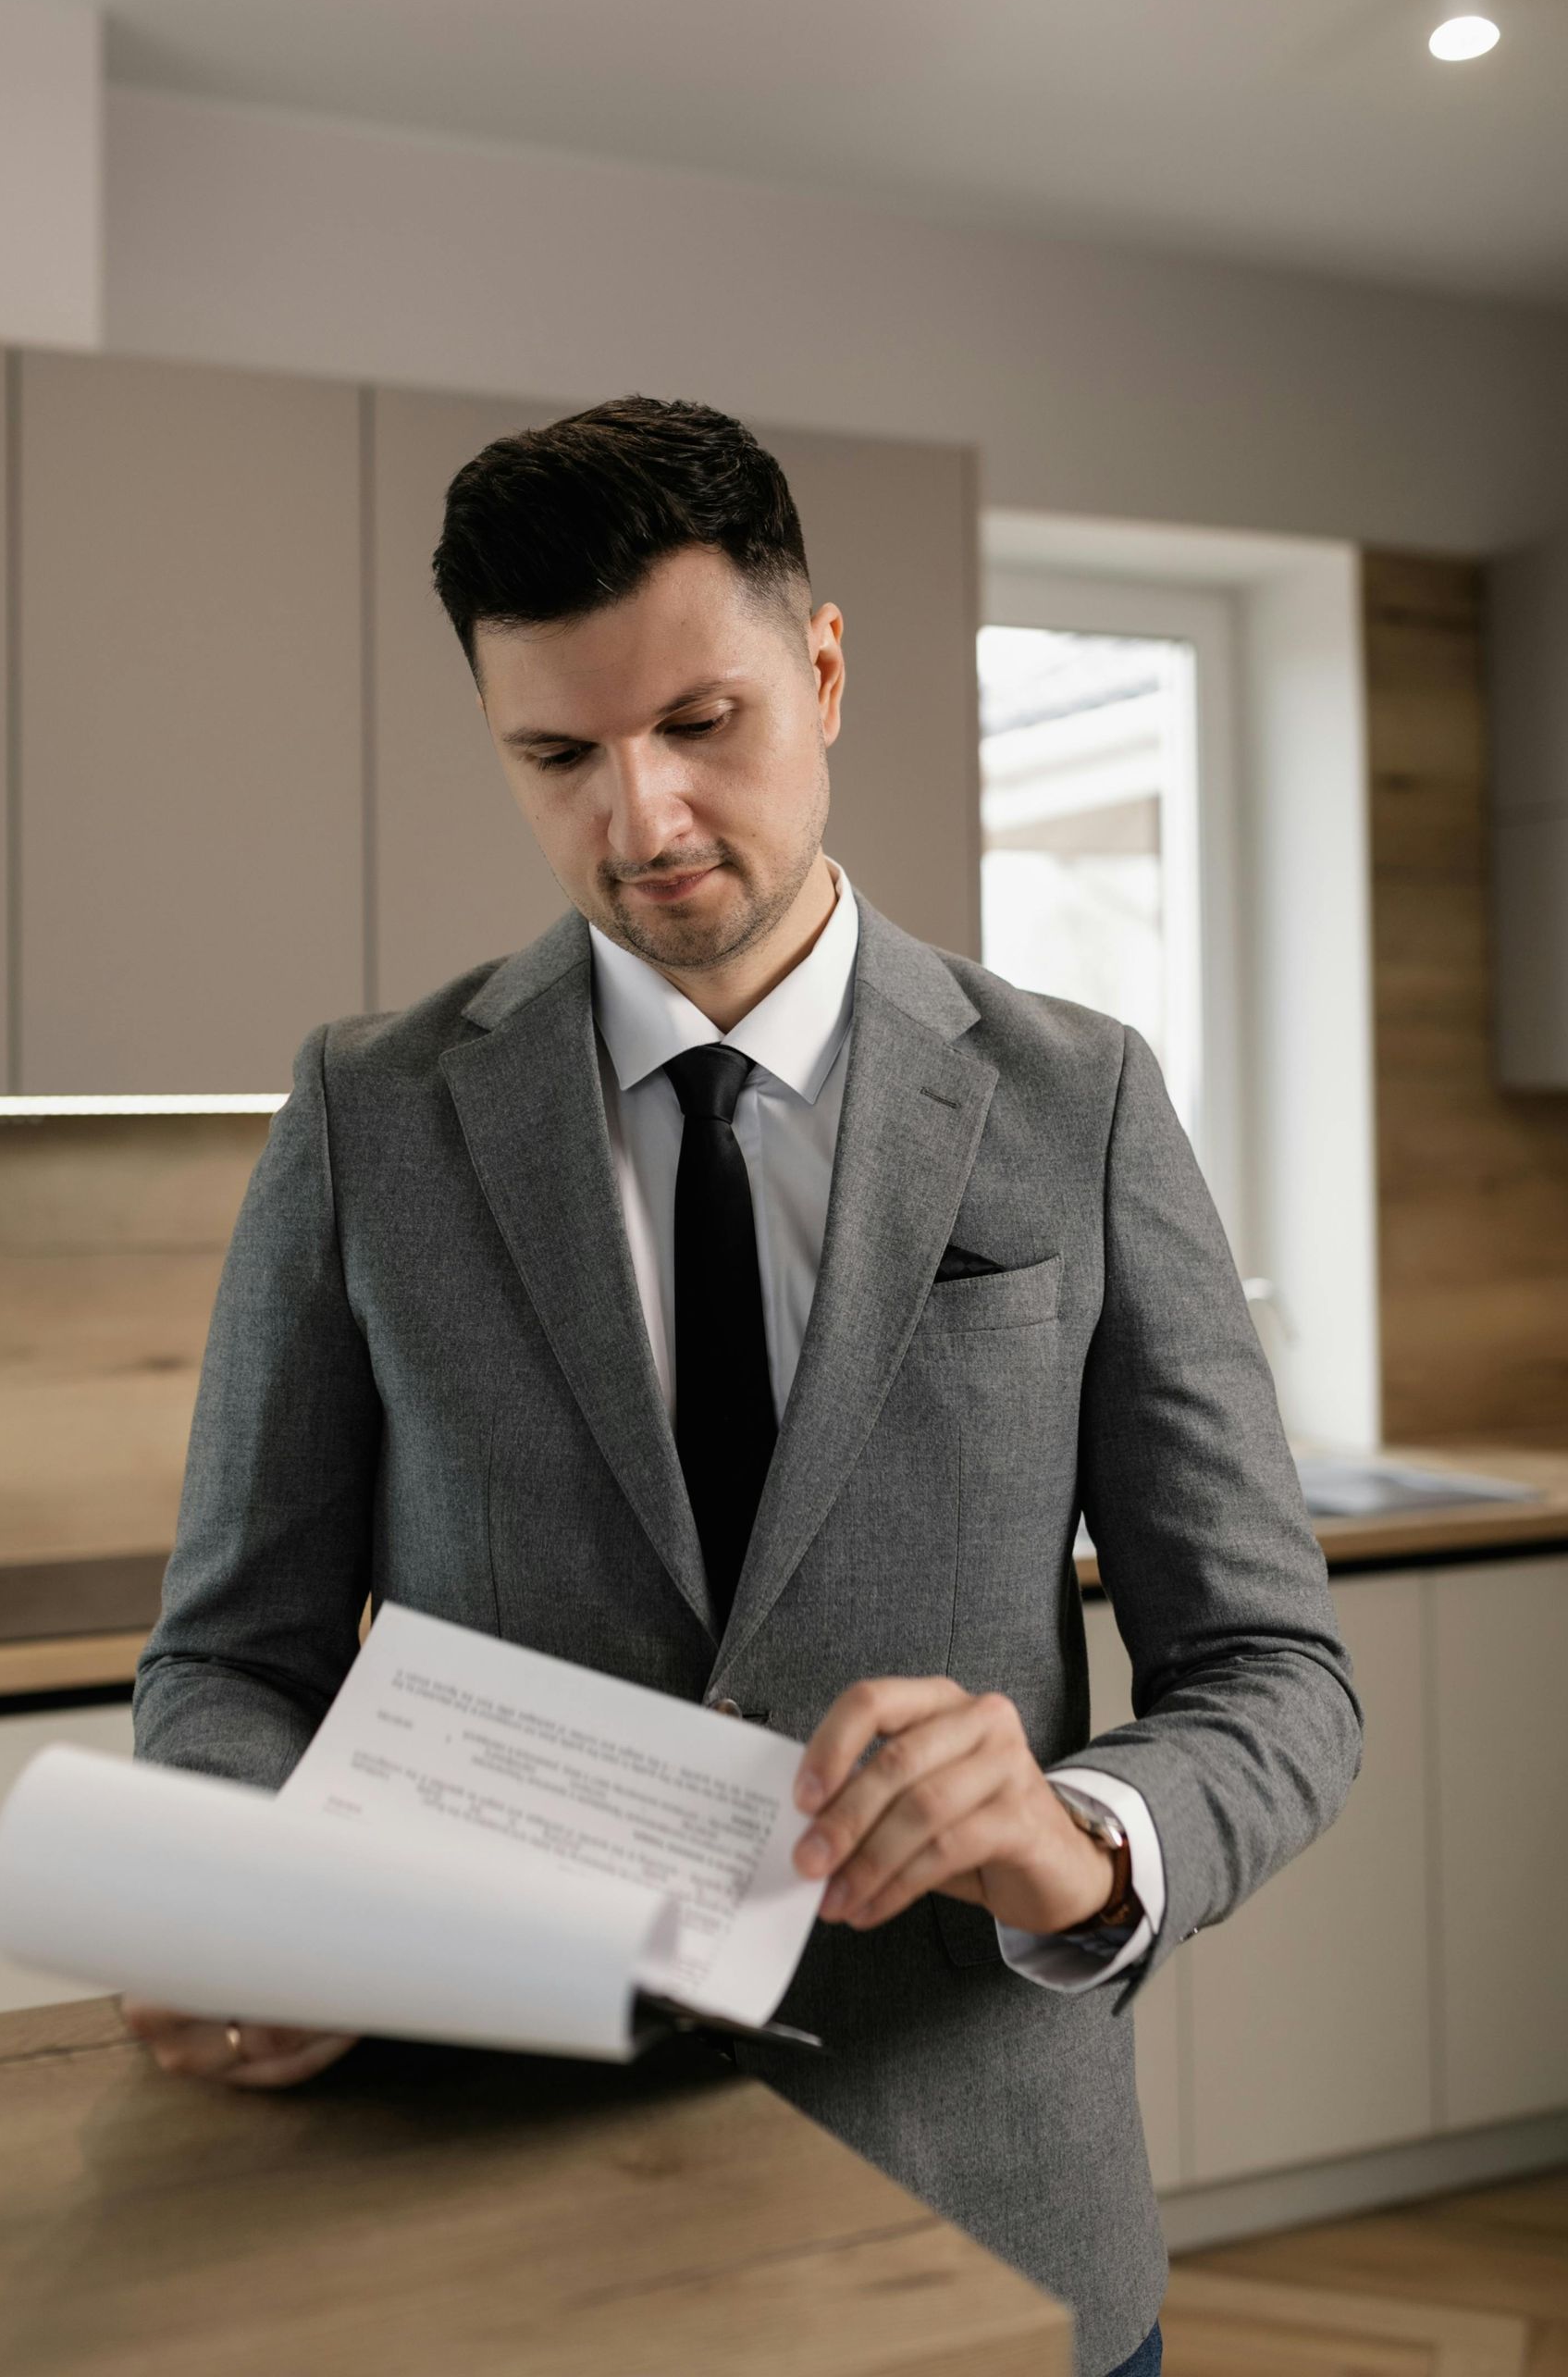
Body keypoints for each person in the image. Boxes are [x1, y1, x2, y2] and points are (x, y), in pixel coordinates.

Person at [125, 396, 1361, 2377]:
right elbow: (230, 1662)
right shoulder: (372, 1117)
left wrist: (1080, 1831)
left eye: (703, 725)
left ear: (827, 671)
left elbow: (1279, 1675)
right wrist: (241, 1888)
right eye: (558, 755)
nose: (645, 823)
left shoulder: (1080, 1099)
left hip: (989, 2220)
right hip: (496, 2224)